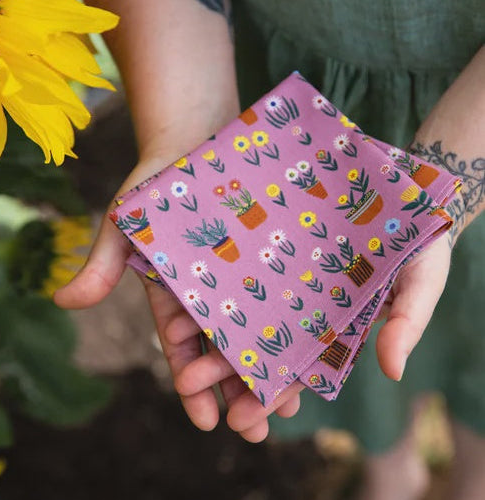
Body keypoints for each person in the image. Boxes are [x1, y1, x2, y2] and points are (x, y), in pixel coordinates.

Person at [55, 1, 485, 498]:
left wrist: (432, 194)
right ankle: (390, 471)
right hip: (258, 95)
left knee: (473, 344)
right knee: (364, 359)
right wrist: (184, 124)